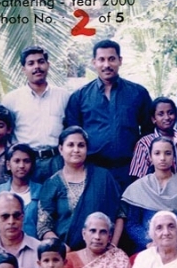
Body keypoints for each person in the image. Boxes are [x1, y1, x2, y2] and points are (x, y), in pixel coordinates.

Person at [65, 39, 153, 189]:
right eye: (101, 60)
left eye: (112, 59)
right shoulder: (79, 96)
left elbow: (148, 131)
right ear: (94, 62)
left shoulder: (138, 93)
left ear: (120, 61)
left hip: (130, 170)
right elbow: (72, 134)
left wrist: (140, 159)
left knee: (129, 205)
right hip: (93, 170)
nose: (106, 65)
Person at [37, 126, 125, 250]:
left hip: (103, 251)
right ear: (61, 149)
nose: (76, 150)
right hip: (67, 254)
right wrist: (62, 248)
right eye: (70, 145)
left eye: (81, 145)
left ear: (87, 149)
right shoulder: (52, 184)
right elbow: (43, 227)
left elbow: (120, 214)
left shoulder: (103, 177)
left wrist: (113, 246)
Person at [2, 46, 69, 183]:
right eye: (31, 63)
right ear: (23, 69)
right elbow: (5, 133)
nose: (37, 67)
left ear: (48, 65)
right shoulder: (11, 100)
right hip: (26, 163)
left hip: (57, 160)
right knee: (29, 196)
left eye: (41, 62)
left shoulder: (64, 96)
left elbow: (71, 129)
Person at [122, 136, 177, 251]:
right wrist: (148, 243)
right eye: (157, 153)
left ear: (174, 157)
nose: (162, 158)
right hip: (147, 249)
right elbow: (132, 224)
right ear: (150, 157)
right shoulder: (139, 187)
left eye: (168, 153)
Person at [129, 97, 177, 179]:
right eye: (161, 114)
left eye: (170, 113)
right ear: (153, 119)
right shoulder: (144, 144)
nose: (167, 117)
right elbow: (138, 177)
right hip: (154, 187)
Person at [0, 144, 42, 238]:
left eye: (26, 161)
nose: (21, 166)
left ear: (32, 165)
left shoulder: (42, 191)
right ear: (8, 165)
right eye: (17, 161)